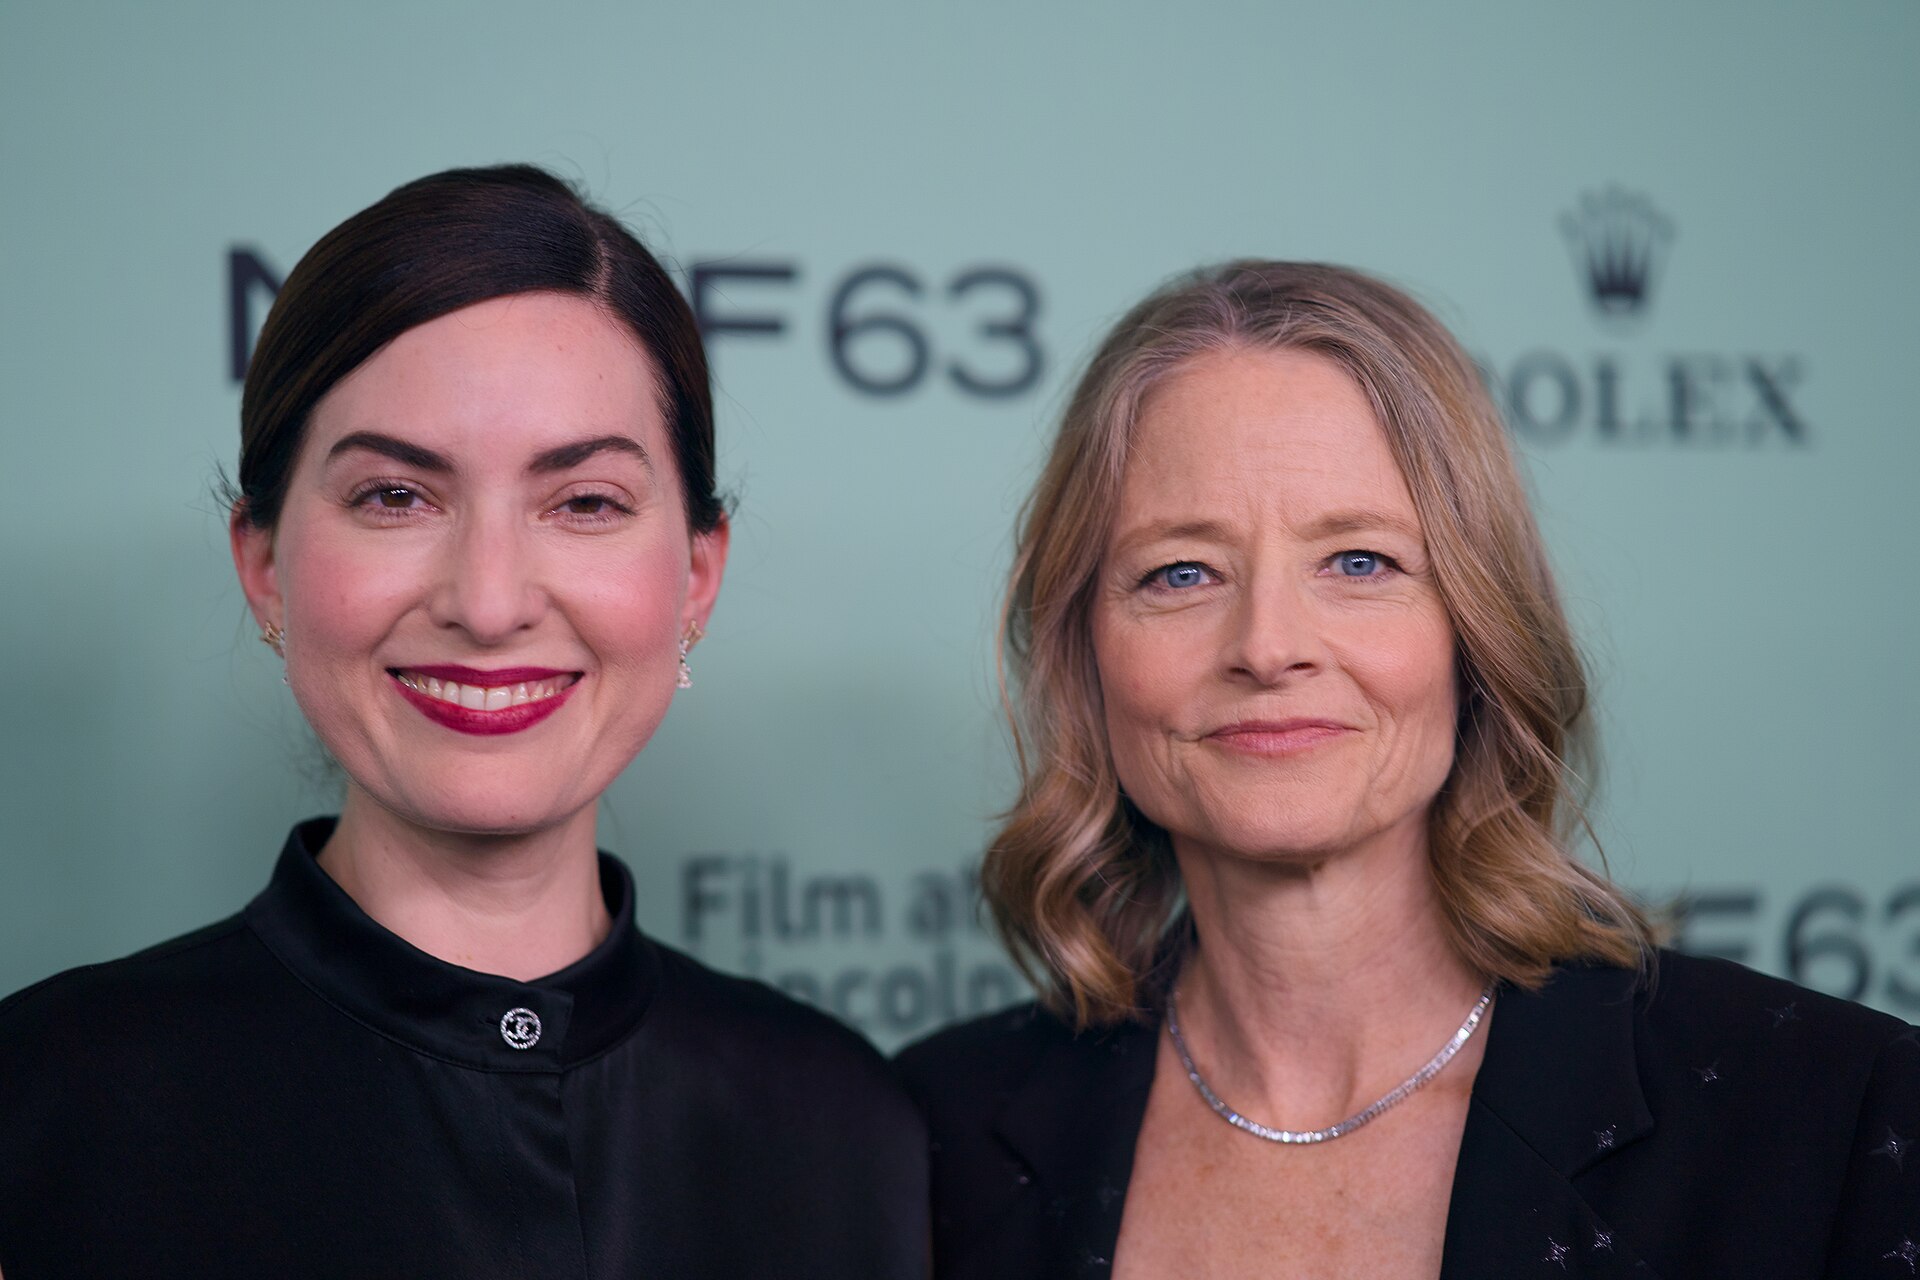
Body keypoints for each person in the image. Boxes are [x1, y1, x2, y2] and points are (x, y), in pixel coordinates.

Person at [896, 261, 1919, 1278]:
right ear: (1085, 655)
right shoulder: (931, 1139)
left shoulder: (1826, 1113)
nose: (1268, 645)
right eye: (1182, 571)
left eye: (1358, 562)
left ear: (1475, 631)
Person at [0, 165, 926, 1280]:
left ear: (695, 578)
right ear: (264, 567)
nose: (488, 602)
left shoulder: (850, 1126)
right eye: (396, 495)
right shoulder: (43, 1107)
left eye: (584, 502)